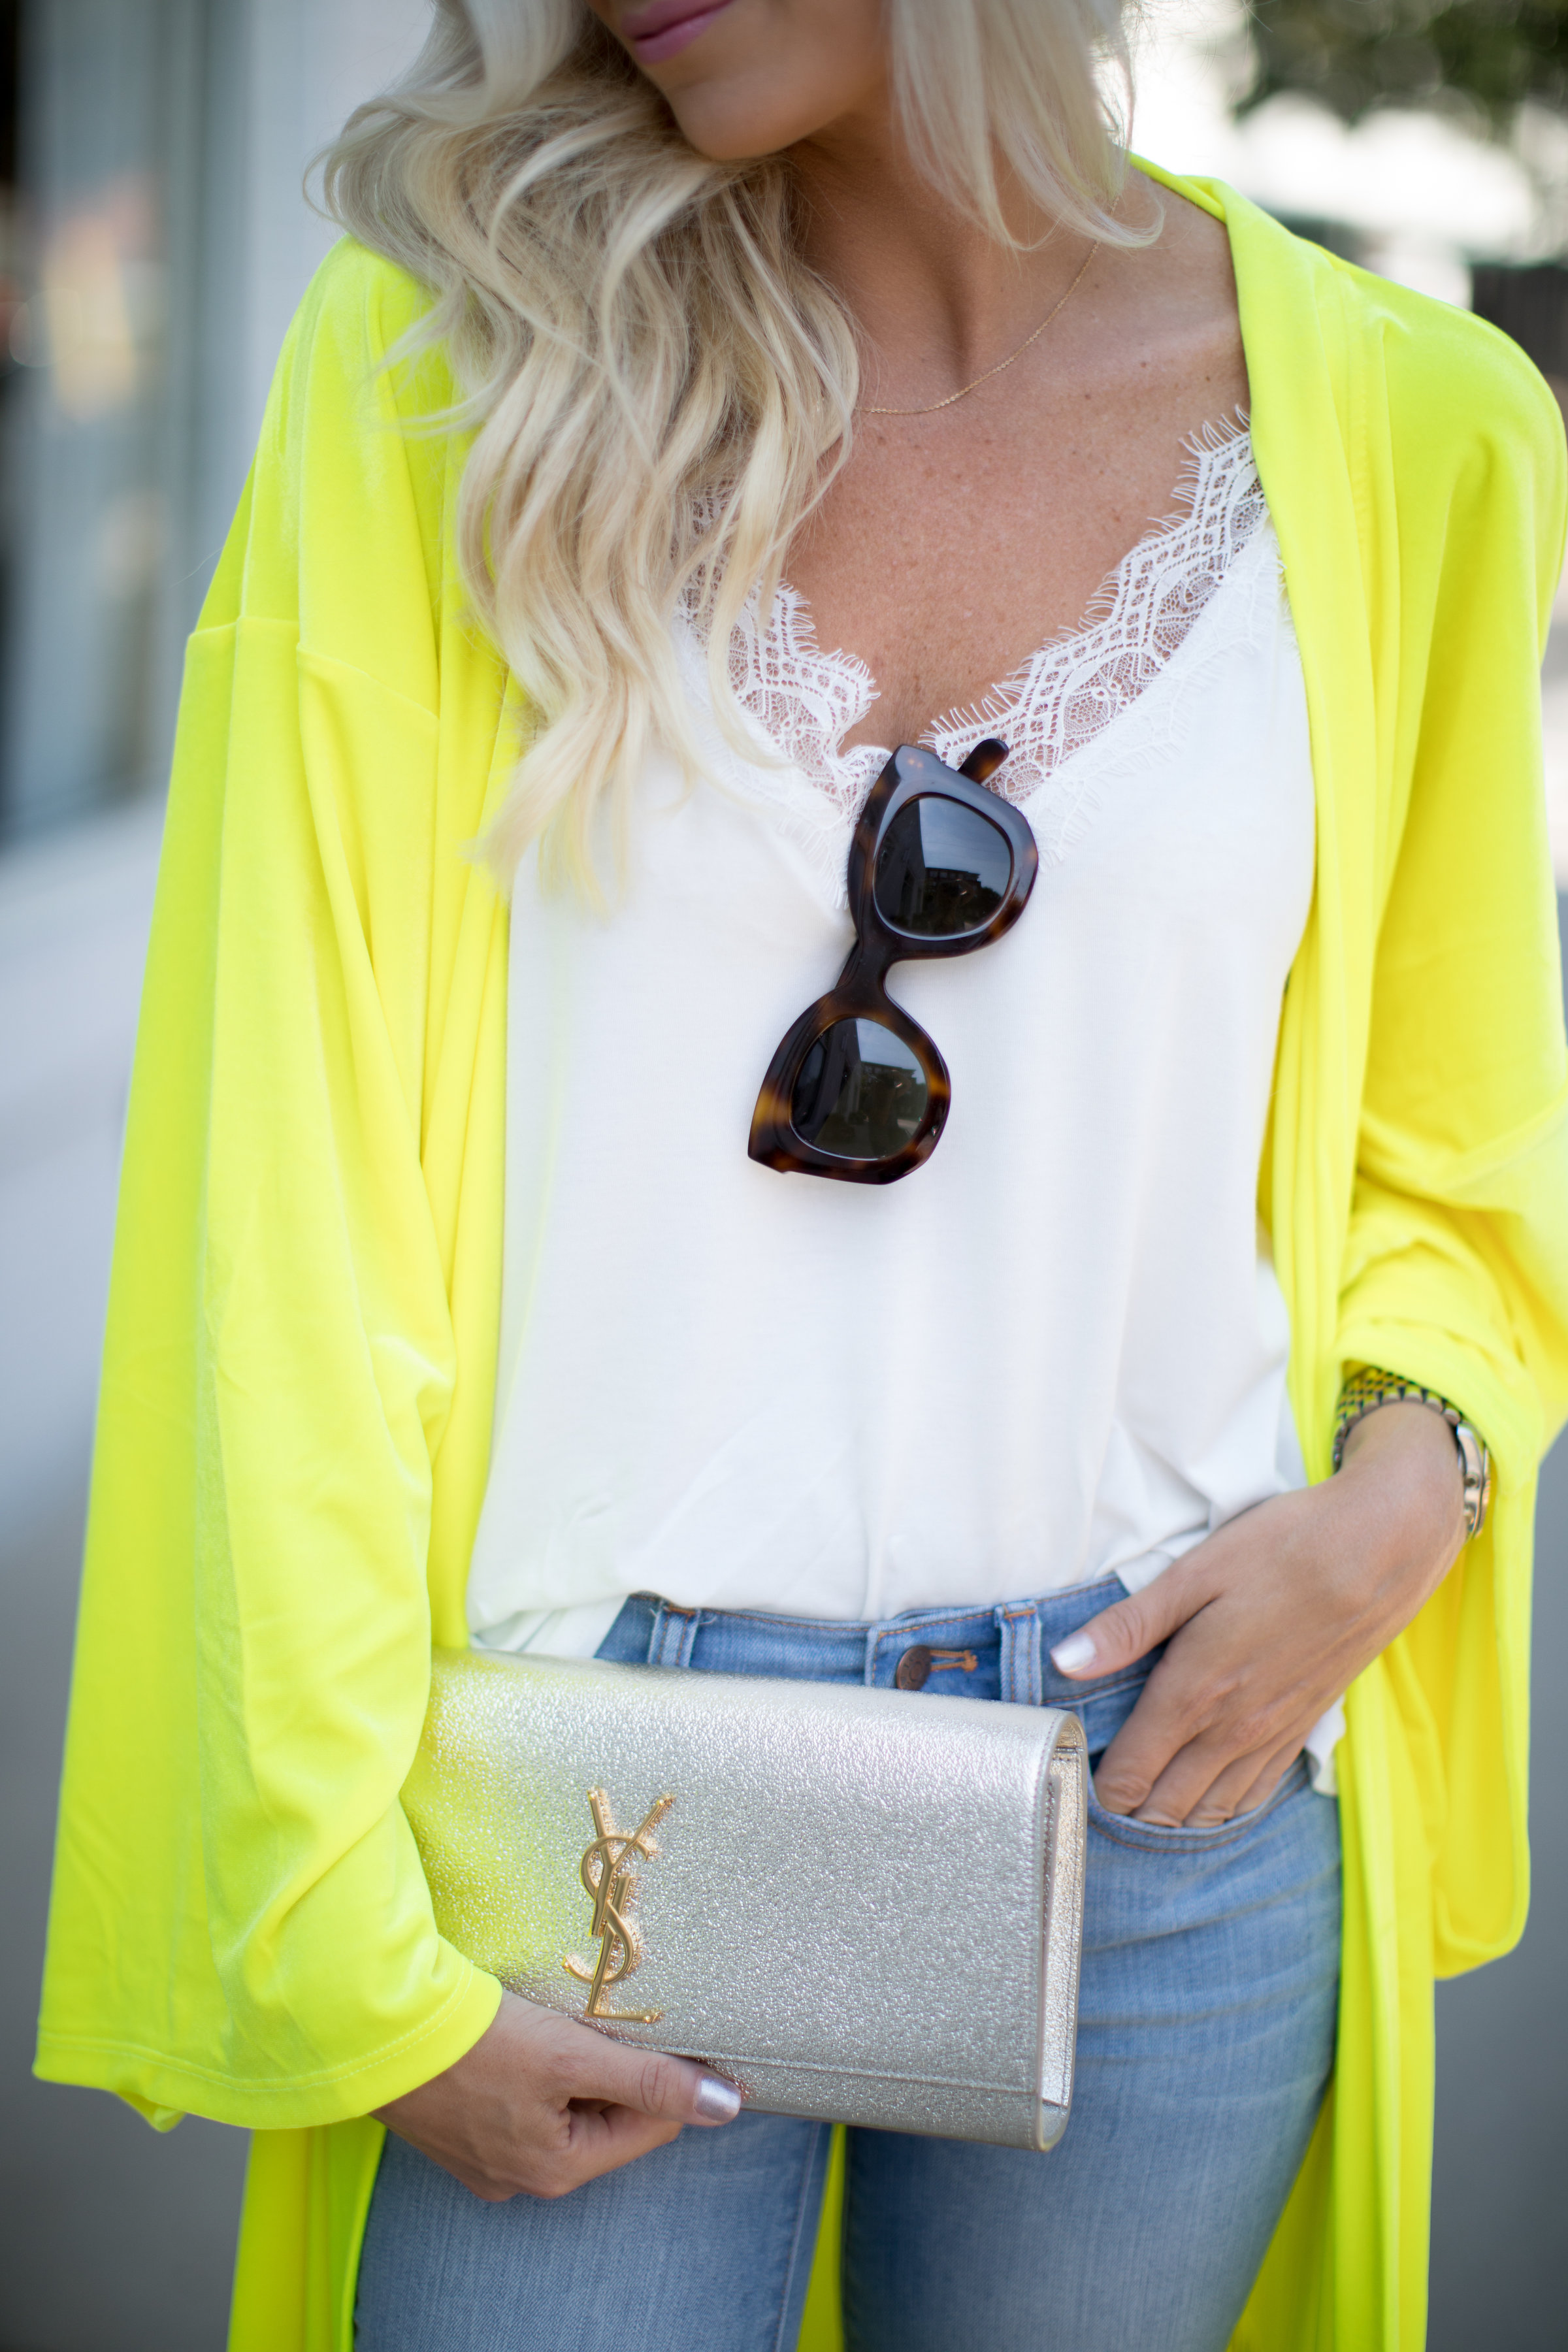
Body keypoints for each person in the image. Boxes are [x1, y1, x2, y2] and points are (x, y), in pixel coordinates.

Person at [35, 1, 1568, 2347]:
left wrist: (1410, 1489)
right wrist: (351, 1946)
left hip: (1166, 1783)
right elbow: (286, 1226)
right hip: (589, 1836)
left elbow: (1461, 1150)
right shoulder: (450, 370)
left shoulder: (1422, 434)